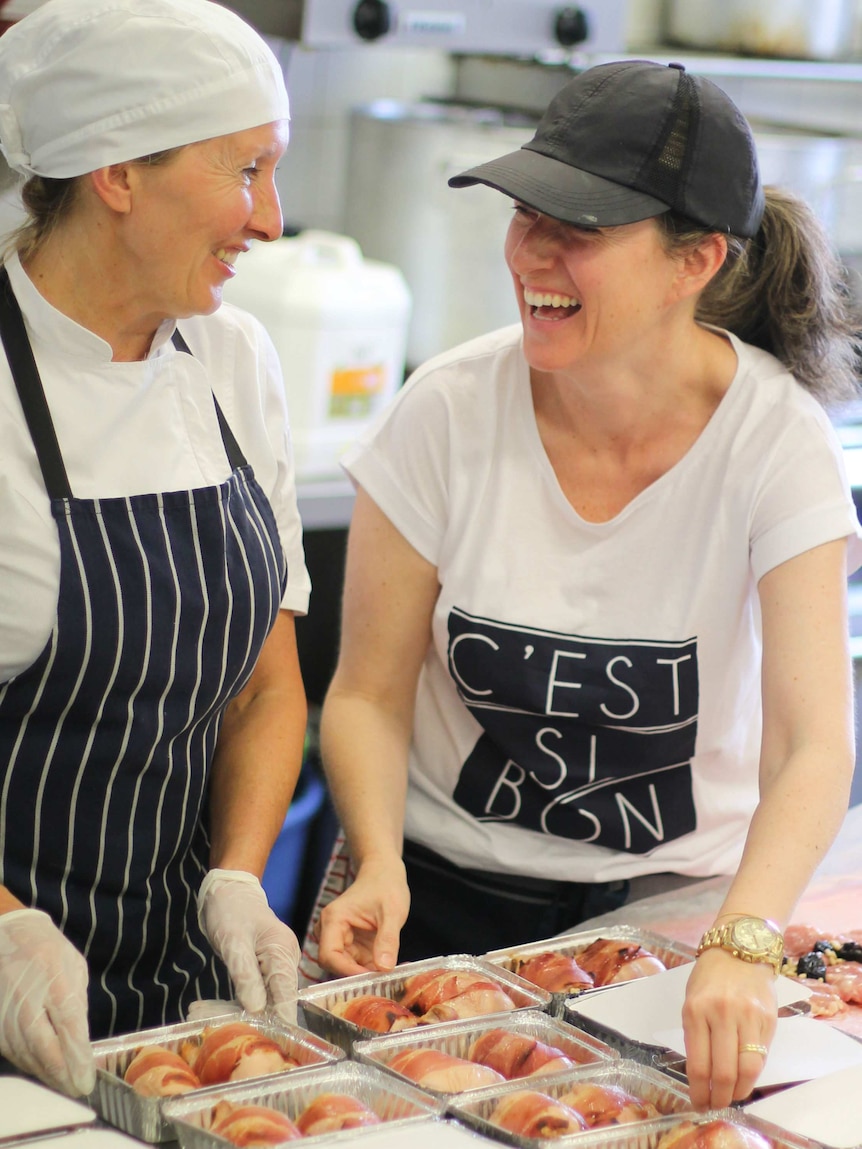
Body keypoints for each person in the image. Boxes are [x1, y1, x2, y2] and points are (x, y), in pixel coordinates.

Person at [302, 60, 862, 1110]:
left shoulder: (773, 439)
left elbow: (812, 746)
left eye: (582, 228)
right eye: (526, 214)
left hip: (673, 922)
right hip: (435, 903)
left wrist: (745, 937)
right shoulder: (446, 412)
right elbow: (368, 693)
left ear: (694, 259)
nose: (533, 255)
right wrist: (376, 856)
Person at [0, 0, 311, 1099]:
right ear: (117, 173)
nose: (270, 221)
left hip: (169, 1012)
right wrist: (8, 935)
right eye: (246, 172)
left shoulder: (236, 358)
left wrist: (237, 874)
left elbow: (266, 689)